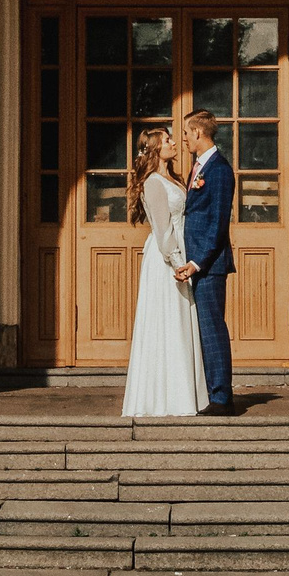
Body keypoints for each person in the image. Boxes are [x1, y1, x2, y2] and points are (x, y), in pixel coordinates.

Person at [119, 126, 205, 418]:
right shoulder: (154, 183)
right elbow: (161, 228)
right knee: (166, 322)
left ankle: (182, 395)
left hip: (181, 252)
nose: (173, 143)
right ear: (156, 149)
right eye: (168, 140)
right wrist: (177, 260)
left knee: (180, 322)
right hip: (166, 258)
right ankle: (162, 398)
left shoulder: (176, 179)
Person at [174, 109, 236, 416]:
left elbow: (218, 224)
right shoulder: (198, 167)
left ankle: (222, 398)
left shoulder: (220, 170)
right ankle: (207, 392)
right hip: (193, 261)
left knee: (212, 330)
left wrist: (198, 262)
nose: (183, 138)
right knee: (201, 330)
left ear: (199, 132)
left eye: (186, 132)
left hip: (209, 264)